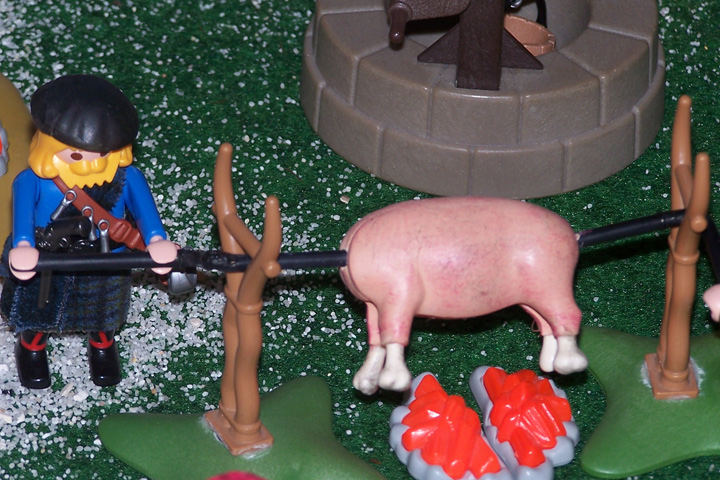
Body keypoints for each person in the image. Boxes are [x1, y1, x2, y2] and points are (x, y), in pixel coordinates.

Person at [0, 74, 177, 389]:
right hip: (47, 258)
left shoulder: (127, 178)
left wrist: (156, 240)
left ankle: (102, 346)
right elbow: (23, 217)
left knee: (103, 312)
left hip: (105, 259)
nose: (91, 164)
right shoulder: (30, 181)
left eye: (103, 153)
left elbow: (146, 214)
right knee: (37, 311)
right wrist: (24, 246)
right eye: (77, 155)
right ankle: (32, 347)